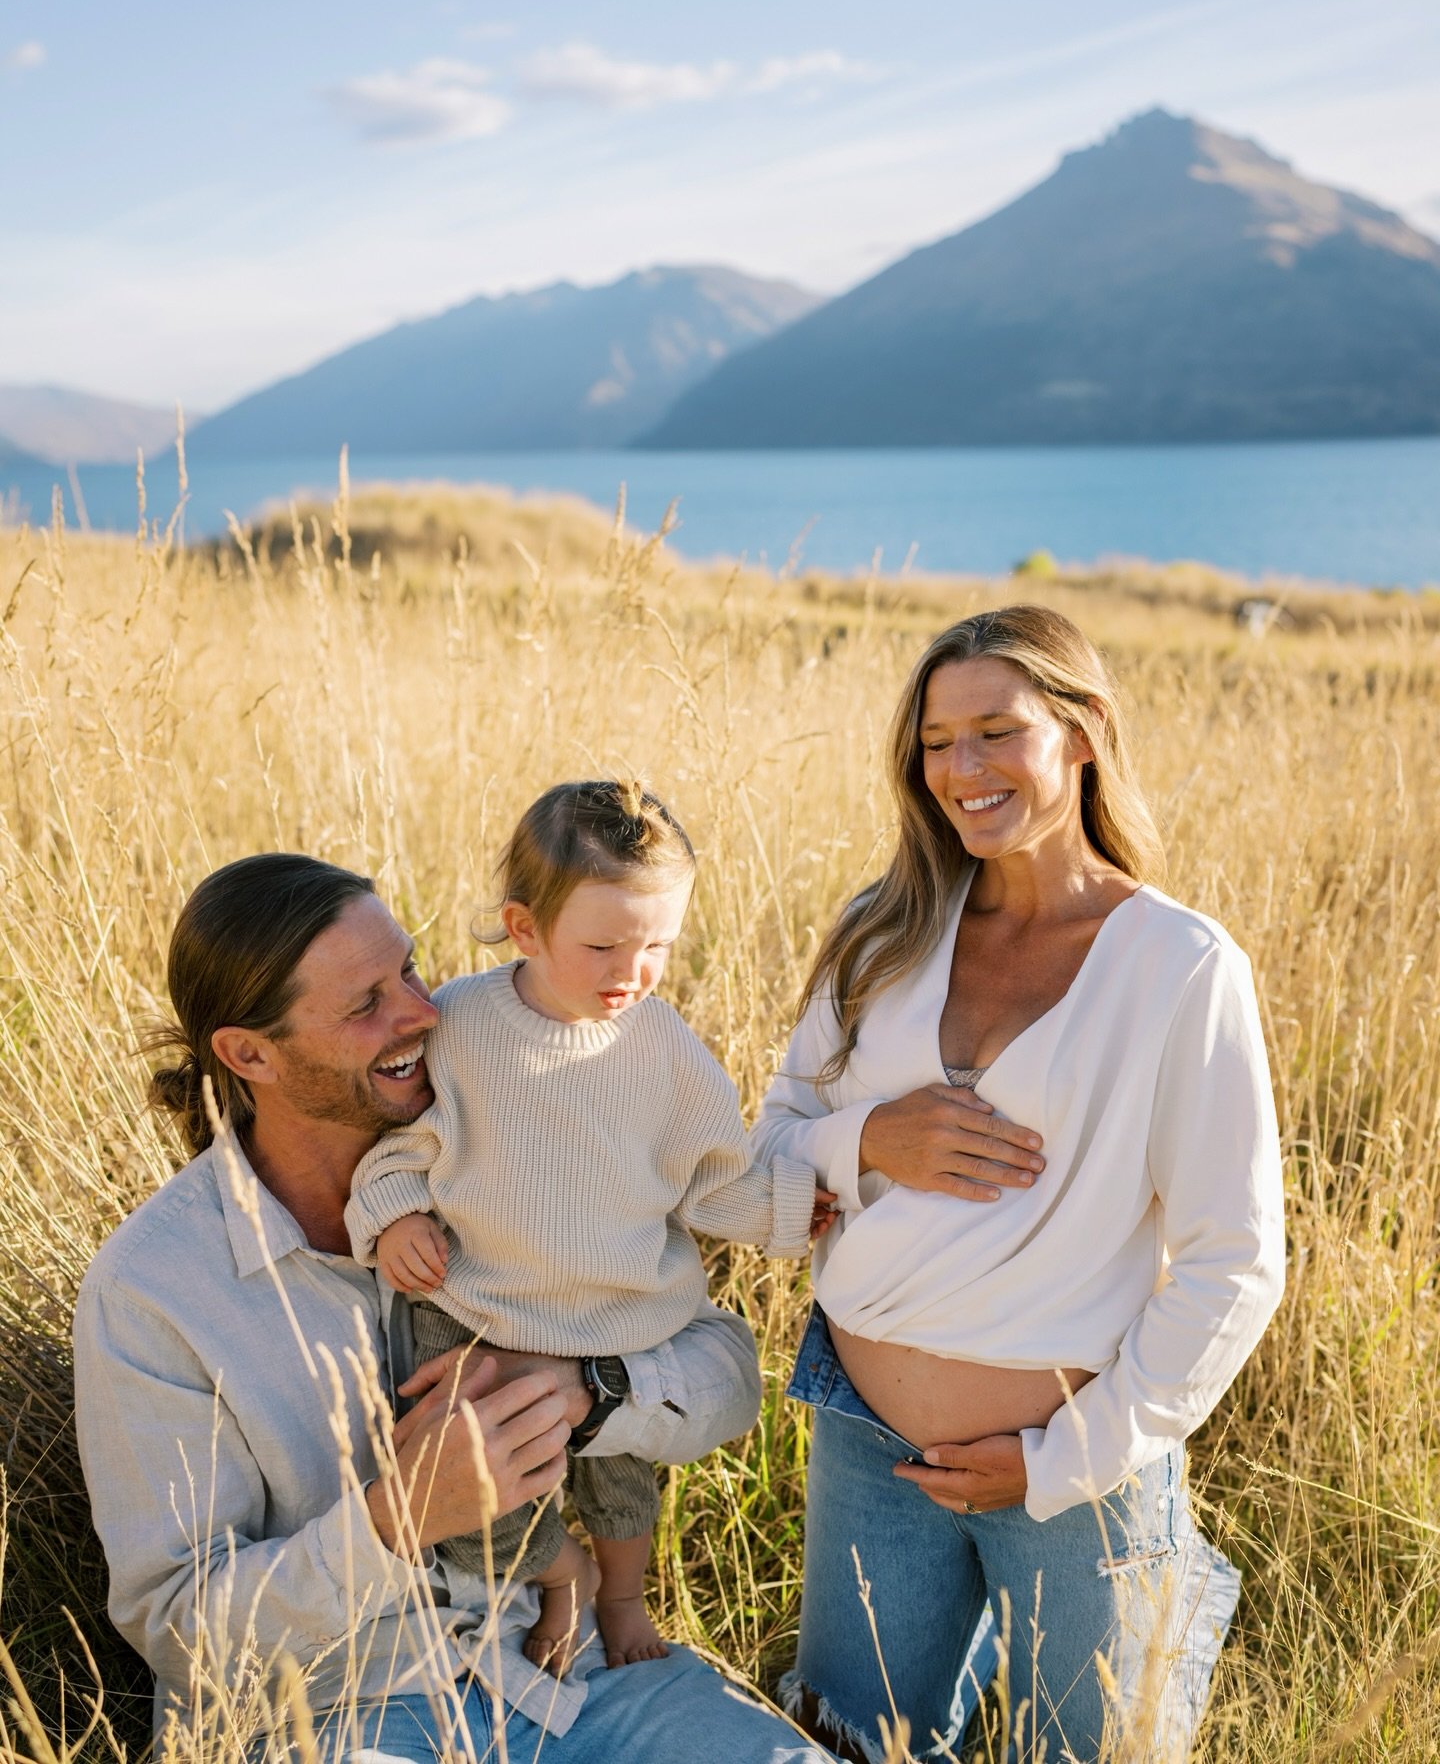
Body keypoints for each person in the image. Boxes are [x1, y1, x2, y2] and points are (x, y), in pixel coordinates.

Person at [72, 852, 835, 1763]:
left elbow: (726, 1370)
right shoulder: (154, 1291)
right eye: (365, 1004)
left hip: (571, 1677)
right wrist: (394, 1522)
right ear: (249, 1053)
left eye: (410, 970)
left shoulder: (529, 1135)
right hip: (334, 1714)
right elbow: (178, 1630)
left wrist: (589, 1388)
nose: (422, 1014)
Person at [749, 606, 1286, 1764]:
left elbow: (1235, 1264)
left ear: (1084, 730)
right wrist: (870, 1141)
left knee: (1092, 1756)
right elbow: (770, 1152)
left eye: (997, 730)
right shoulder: (881, 931)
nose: (961, 770)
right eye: (938, 742)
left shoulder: (1180, 967)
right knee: (847, 1741)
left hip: (1078, 1461)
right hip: (864, 1433)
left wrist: (1063, 1459)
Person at [343, 780, 819, 1676]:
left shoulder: (663, 1048)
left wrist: (795, 1209)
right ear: (524, 928)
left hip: (620, 1318)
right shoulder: (465, 1026)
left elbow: (715, 1178)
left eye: (658, 948)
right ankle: (559, 1574)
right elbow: (401, 1146)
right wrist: (395, 1213)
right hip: (476, 1312)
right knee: (478, 1496)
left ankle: (621, 1593)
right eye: (602, 946)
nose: (631, 974)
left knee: (623, 1488)